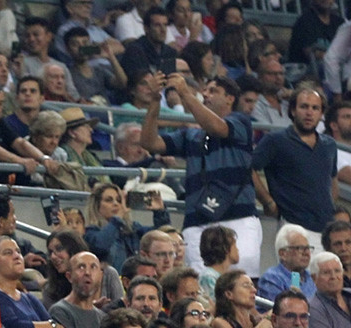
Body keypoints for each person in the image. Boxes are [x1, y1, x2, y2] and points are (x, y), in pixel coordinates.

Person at [142, 73, 259, 275]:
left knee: (243, 280)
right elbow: (150, 143)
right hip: (198, 220)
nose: (206, 94)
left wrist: (186, 94)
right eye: (204, 90)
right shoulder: (190, 135)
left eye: (213, 91)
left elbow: (217, 127)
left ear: (230, 98)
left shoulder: (241, 122)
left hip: (239, 216)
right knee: (202, 284)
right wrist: (154, 102)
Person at [253, 88, 338, 243]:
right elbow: (249, 169)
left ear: (321, 114)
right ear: (292, 110)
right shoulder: (275, 140)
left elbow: (332, 179)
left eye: (315, 108)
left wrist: (330, 208)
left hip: (325, 229)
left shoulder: (329, 145)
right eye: (304, 106)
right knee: (293, 268)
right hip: (291, 226)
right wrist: (268, 201)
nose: (309, 112)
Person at [0, 235, 62, 328]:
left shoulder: (29, 298)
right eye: (8, 253)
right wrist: (52, 326)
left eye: (18, 252)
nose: (16, 256)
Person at [51, 251, 107, 328]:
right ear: (69, 276)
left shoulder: (103, 317)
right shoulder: (60, 311)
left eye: (93, 267)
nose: (87, 273)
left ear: (100, 276)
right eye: (81, 267)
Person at [258, 223, 317, 301]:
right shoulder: (272, 279)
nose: (306, 253)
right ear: (283, 254)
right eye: (299, 248)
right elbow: (279, 310)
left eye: (308, 248)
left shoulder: (312, 277)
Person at [120, 7, 178, 77]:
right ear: (146, 28)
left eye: (165, 25)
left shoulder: (170, 53)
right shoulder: (135, 51)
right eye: (157, 25)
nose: (163, 30)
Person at [323, 220, 351, 288]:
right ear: (328, 249)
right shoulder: (322, 279)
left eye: (348, 242)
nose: (343, 248)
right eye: (338, 244)